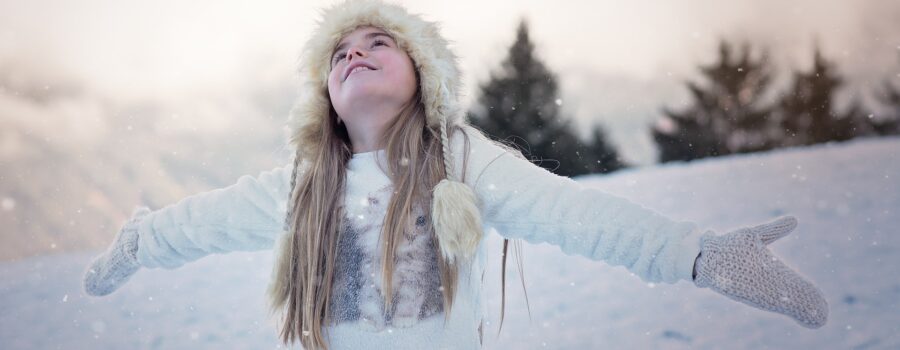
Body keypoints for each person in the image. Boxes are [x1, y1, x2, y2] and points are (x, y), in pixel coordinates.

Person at [82, 0, 829, 349]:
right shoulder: (304, 185)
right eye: (339, 53)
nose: (355, 52)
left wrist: (699, 254)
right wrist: (142, 240)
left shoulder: (462, 160)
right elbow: (204, 222)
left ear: (423, 74)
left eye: (378, 42)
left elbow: (575, 215)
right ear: (325, 98)